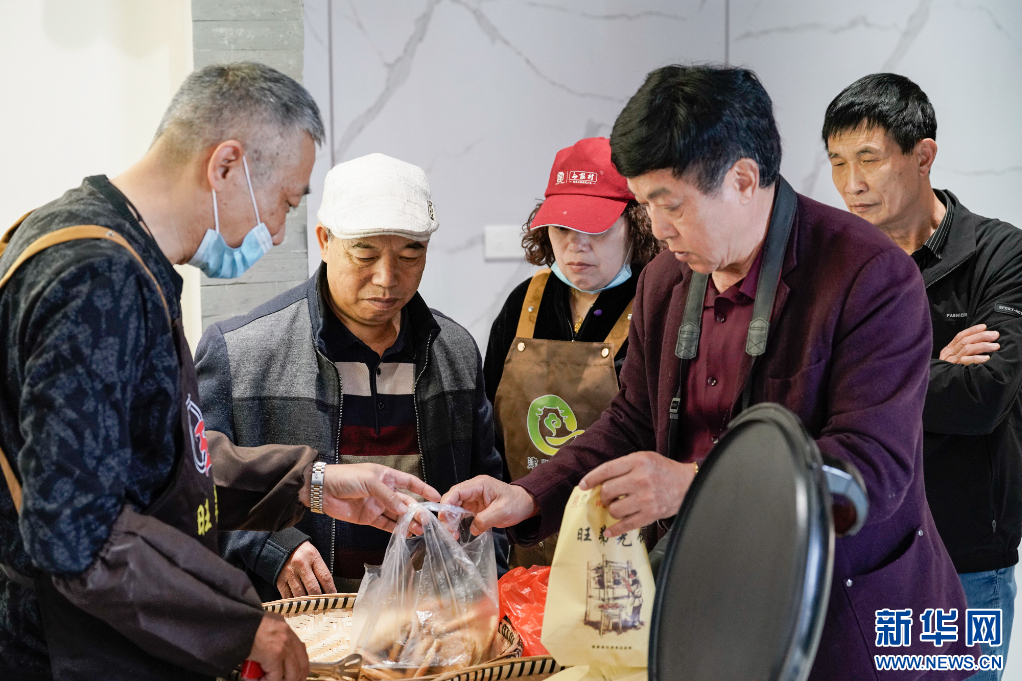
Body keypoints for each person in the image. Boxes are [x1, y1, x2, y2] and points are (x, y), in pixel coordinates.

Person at [442, 64, 978, 679]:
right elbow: (632, 420)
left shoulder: (870, 275)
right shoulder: (664, 281)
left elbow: (870, 472)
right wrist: (529, 494)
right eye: (645, 205)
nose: (657, 229)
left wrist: (693, 485)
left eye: (670, 205)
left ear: (743, 179)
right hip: (713, 606)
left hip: (850, 616)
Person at [0, 62, 442, 681]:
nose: (279, 231)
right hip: (74, 652)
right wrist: (240, 627)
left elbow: (156, 460)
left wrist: (314, 482)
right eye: (285, 202)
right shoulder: (95, 279)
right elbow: (77, 533)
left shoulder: (97, 242)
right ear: (226, 166)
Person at [196, 153, 509, 599]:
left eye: (410, 253)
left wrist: (486, 586)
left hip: (429, 621)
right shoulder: (241, 351)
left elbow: (488, 491)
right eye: (365, 253)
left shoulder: (453, 350)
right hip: (297, 621)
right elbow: (193, 485)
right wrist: (271, 546)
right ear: (324, 241)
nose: (387, 278)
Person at [824, 73, 1022, 677]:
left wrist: (861, 382)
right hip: (857, 552)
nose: (851, 184)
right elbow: (809, 397)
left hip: (967, 557)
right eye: (836, 162)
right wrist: (938, 367)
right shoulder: (832, 265)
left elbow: (982, 397)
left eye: (868, 159)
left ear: (923, 155)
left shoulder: (999, 253)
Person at [484, 137, 661, 567]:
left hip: (627, 548)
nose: (576, 246)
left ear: (635, 224)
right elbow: (488, 426)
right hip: (528, 539)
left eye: (596, 229)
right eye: (562, 229)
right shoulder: (524, 303)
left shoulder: (659, 301)